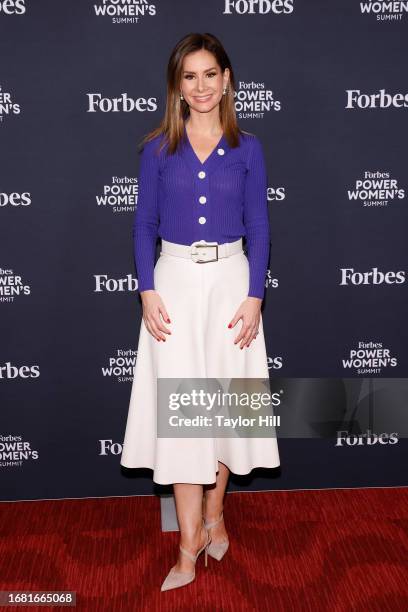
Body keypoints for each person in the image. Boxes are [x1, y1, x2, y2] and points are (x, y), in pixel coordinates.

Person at [120, 32, 280, 592]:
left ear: (227, 79)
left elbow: (259, 226)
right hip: (176, 285)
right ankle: (188, 546)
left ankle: (216, 513)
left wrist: (255, 294)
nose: (202, 85)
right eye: (190, 76)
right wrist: (147, 289)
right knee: (186, 414)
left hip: (234, 283)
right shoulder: (157, 149)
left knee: (226, 410)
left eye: (211, 73)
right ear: (178, 88)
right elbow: (143, 225)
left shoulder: (249, 148)